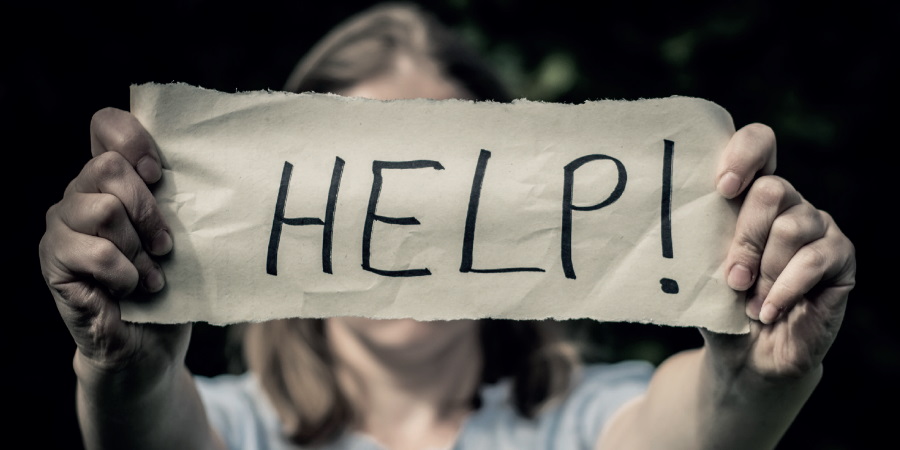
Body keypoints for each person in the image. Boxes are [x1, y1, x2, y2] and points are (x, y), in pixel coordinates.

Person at [39, 3, 856, 450]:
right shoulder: (236, 427)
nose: (410, 210)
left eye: (452, 162)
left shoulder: (586, 419)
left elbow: (700, 424)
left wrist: (753, 377)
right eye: (356, 168)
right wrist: (129, 372)